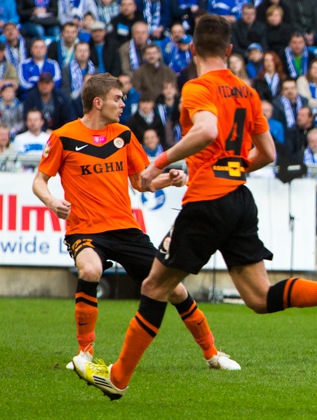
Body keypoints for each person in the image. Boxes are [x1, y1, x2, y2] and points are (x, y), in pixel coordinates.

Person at [72, 16, 317, 399]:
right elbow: (268, 153)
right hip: (240, 198)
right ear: (229, 51)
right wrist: (230, 167)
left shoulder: (197, 87)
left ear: (192, 50)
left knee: (154, 287)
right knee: (259, 297)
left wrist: (161, 161)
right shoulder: (247, 91)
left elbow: (206, 131)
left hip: (206, 201)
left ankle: (118, 378)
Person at [32, 71, 239, 372]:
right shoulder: (63, 136)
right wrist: (51, 201)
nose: (123, 103)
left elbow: (141, 182)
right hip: (85, 229)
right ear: (98, 102)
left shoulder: (124, 135)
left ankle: (213, 354)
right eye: (118, 98)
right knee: (90, 269)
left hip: (126, 229)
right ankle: (84, 353)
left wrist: (170, 179)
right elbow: (39, 181)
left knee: (176, 289)